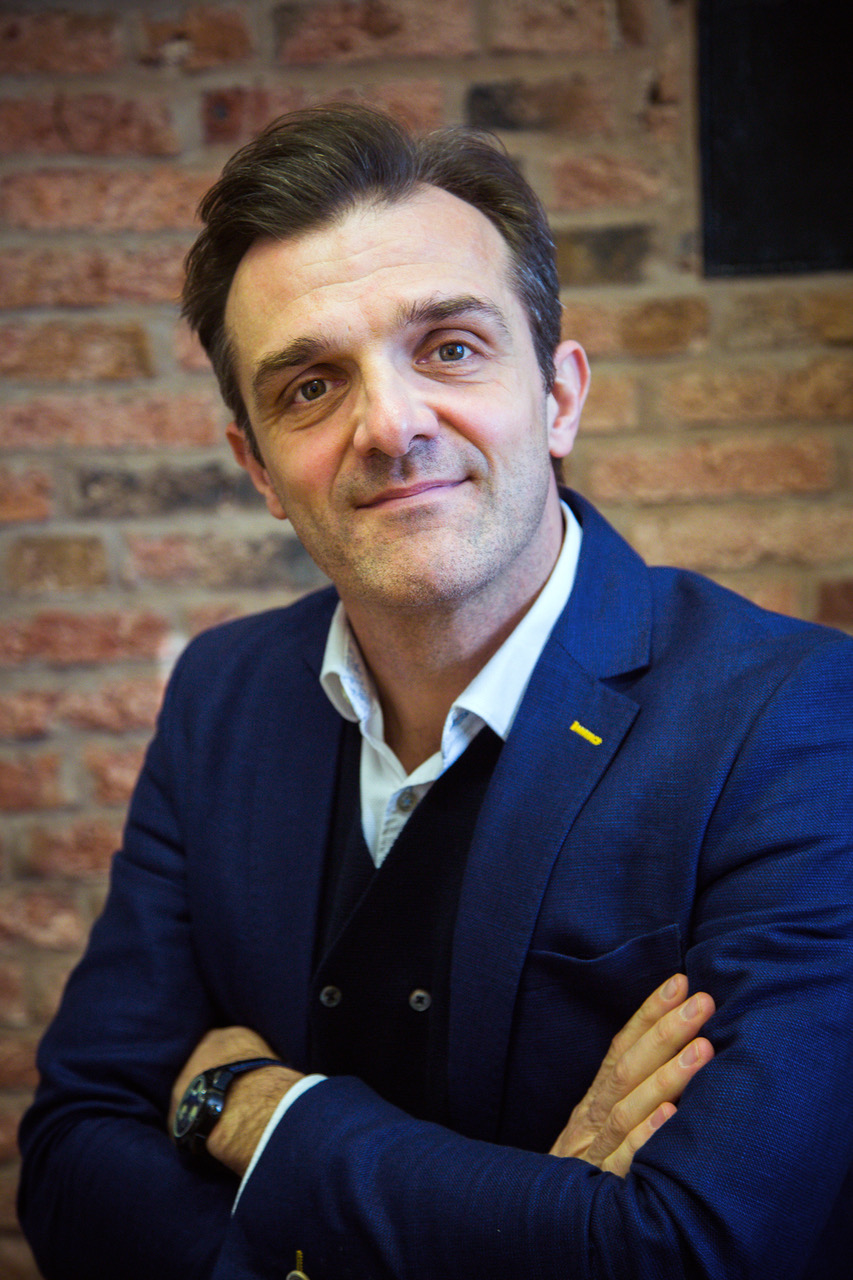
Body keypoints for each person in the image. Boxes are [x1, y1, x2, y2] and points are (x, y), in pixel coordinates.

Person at [17, 106, 853, 1280]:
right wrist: (537, 1221)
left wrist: (256, 1108)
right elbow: (68, 1165)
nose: (392, 424)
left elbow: (692, 1249)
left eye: (450, 348)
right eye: (311, 385)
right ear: (258, 466)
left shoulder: (796, 717)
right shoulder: (221, 698)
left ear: (558, 396)